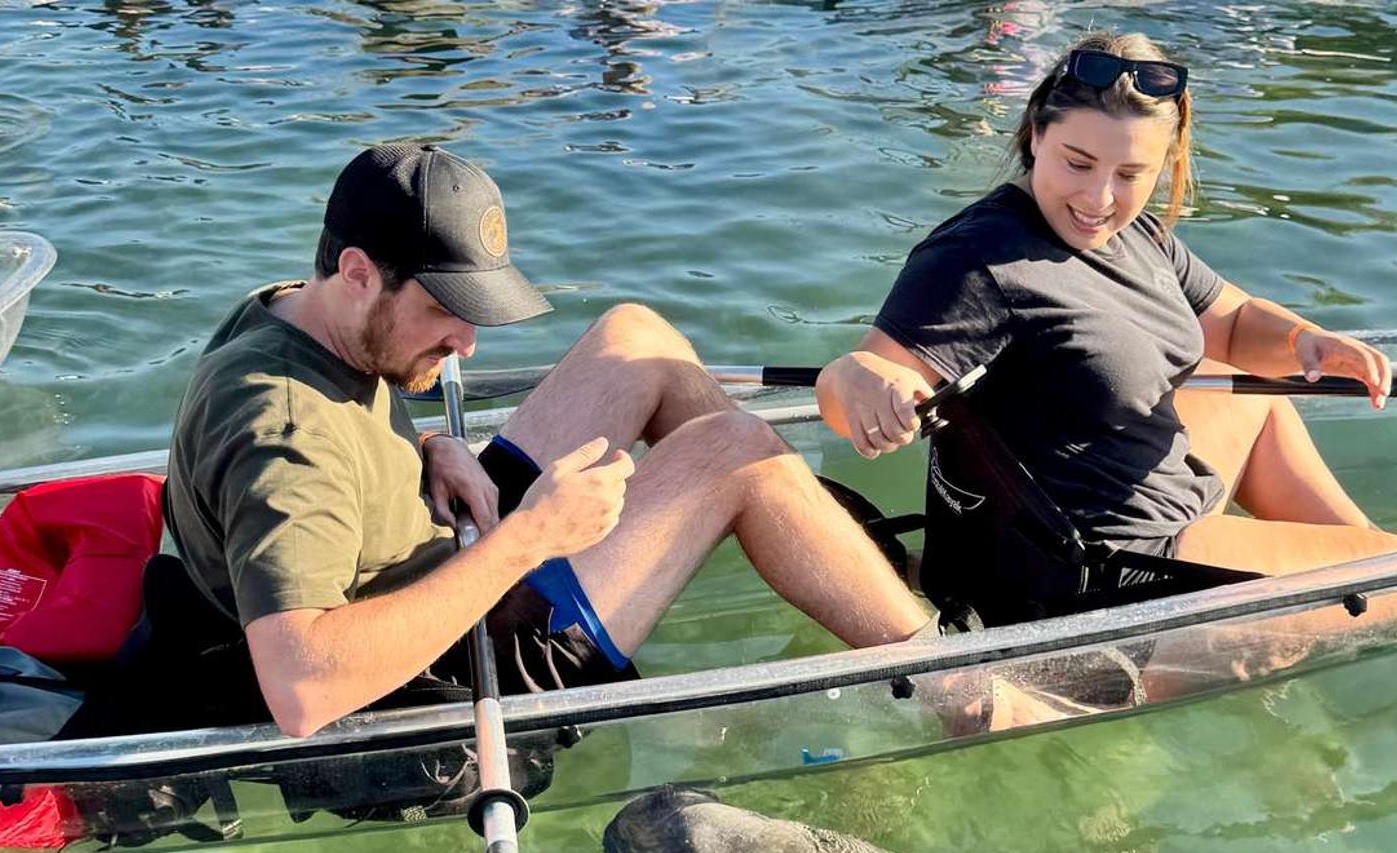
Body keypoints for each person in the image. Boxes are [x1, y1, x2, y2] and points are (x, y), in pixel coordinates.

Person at [162, 144, 932, 737]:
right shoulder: (289, 432)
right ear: (359, 272)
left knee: (637, 339)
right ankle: (964, 688)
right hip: (454, 669)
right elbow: (302, 690)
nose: (466, 344)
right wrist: (530, 539)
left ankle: (834, 561)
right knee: (734, 451)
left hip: (441, 542)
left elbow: (336, 445)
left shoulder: (294, 310)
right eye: (446, 311)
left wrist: (421, 448)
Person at [816, 30, 1397, 629]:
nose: (1099, 198)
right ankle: (1367, 587)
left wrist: (1303, 340)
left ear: (1165, 163)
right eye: (1077, 163)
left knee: (1259, 400)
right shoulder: (977, 257)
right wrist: (862, 383)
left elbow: (1231, 325)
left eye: (1131, 174)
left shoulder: (1139, 235)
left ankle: (1354, 567)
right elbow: (869, 371)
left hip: (1160, 498)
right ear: (1034, 133)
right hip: (1110, 569)